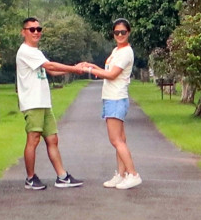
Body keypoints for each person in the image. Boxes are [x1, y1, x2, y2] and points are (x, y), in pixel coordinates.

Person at [15, 17, 86, 191]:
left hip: (43, 102)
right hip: (33, 102)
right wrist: (73, 68)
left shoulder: (36, 52)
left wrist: (77, 69)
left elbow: (51, 70)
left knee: (52, 139)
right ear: (23, 32)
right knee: (33, 139)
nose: (36, 32)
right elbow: (50, 64)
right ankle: (30, 178)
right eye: (32, 29)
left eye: (39, 29)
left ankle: (62, 176)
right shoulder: (25, 51)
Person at [77, 19, 141, 188]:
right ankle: (121, 174)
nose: (120, 35)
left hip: (116, 98)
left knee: (116, 140)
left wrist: (88, 70)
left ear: (129, 32)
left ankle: (132, 174)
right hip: (111, 97)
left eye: (123, 32)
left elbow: (112, 75)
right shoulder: (116, 50)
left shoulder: (126, 52)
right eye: (116, 32)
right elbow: (107, 71)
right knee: (120, 139)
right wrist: (92, 66)